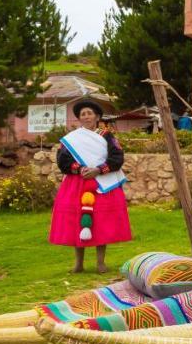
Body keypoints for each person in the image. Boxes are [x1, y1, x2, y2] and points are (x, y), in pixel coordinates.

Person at [49, 99, 132, 272]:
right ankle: (78, 263)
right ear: (79, 118)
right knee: (76, 221)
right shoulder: (71, 139)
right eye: (83, 114)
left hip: (102, 183)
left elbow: (117, 157)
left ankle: (100, 262)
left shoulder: (107, 136)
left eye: (89, 113)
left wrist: (99, 170)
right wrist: (79, 169)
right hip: (77, 183)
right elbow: (62, 160)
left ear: (97, 116)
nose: (86, 117)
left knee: (101, 221)